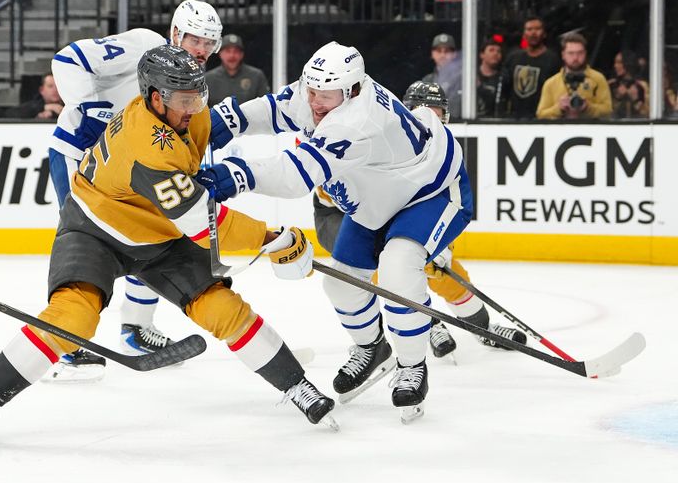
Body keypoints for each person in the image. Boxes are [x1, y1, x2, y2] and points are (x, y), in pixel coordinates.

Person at [0, 45, 336, 445]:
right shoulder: (148, 145)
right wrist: (272, 239)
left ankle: (296, 386)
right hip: (94, 229)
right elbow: (202, 222)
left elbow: (230, 121)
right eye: (185, 99)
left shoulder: (187, 113)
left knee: (223, 309)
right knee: (72, 317)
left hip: (159, 233)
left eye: (198, 96)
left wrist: (307, 105)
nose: (194, 107)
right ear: (154, 97)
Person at [198, 42, 473, 421]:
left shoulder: (358, 120)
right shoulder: (327, 90)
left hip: (431, 191)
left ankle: (412, 365)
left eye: (323, 96)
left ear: (352, 91)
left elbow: (297, 173)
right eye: (311, 91)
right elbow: (279, 107)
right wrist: (230, 119)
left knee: (397, 269)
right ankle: (372, 348)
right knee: (341, 283)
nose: (313, 102)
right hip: (380, 194)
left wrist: (238, 174)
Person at [45, 0, 225, 381]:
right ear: (176, 32)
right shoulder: (143, 44)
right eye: (195, 39)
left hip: (126, 167)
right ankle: (66, 336)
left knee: (150, 235)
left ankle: (135, 328)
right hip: (81, 156)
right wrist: (91, 108)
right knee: (86, 242)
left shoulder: (186, 77)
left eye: (210, 43)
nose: (202, 50)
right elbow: (66, 59)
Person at [312, 80, 525, 361]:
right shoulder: (386, 140)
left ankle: (481, 327)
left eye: (435, 112)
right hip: (342, 216)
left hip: (384, 211)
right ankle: (421, 327)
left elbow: (443, 204)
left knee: (442, 272)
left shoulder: (441, 149)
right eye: (421, 111)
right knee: (390, 266)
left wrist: (440, 247)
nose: (429, 119)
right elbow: (353, 197)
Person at [536, 32, 612, 120]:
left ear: (585, 53)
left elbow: (608, 111)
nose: (575, 58)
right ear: (563, 55)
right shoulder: (551, 83)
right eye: (571, 53)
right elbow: (541, 115)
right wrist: (559, 108)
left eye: (580, 53)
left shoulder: (598, 79)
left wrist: (588, 107)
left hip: (590, 130)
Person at [503, 16, 561, 119]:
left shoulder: (553, 59)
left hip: (542, 117)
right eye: (529, 29)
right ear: (524, 34)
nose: (533, 33)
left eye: (537, 29)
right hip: (515, 118)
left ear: (544, 33)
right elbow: (505, 89)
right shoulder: (513, 58)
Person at [205, 34, 269, 107]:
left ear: (242, 54)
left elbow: (265, 106)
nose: (232, 55)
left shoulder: (257, 76)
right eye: (228, 51)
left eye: (236, 51)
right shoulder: (208, 79)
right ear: (220, 54)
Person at [422, 33, 461, 120]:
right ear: (432, 54)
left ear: (454, 54)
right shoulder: (426, 81)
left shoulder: (464, 80)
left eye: (447, 51)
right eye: (439, 51)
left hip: (460, 128)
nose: (443, 55)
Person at [608, 50, 649, 119]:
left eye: (619, 63)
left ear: (628, 63)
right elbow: (606, 111)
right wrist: (618, 98)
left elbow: (648, 113)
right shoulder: (611, 84)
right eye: (615, 62)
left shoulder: (642, 86)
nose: (615, 66)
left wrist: (635, 100)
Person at [476, 38, 505, 118]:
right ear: (482, 54)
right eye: (491, 50)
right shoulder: (471, 76)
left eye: (498, 51)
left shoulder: (503, 79)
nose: (495, 53)